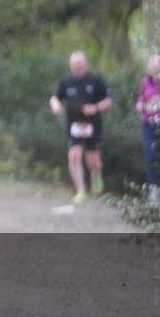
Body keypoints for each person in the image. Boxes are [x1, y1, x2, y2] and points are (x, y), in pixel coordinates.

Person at [49, 51, 113, 205]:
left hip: (92, 123)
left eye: (80, 65)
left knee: (92, 159)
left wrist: (96, 107)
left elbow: (110, 99)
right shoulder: (66, 81)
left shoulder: (96, 80)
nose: (77, 68)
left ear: (86, 64)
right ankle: (81, 190)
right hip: (74, 124)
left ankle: (96, 175)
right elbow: (55, 97)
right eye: (74, 65)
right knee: (74, 155)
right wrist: (55, 105)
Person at [136, 54, 160, 201]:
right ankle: (154, 193)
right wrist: (140, 105)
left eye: (158, 64)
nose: (155, 67)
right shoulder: (144, 81)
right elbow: (142, 100)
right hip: (148, 124)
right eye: (153, 64)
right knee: (150, 156)